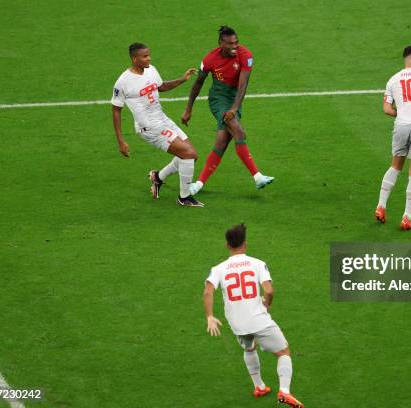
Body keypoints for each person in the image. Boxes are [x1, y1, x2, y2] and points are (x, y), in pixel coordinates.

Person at [203, 224, 304, 408]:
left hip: (237, 323)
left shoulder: (218, 268)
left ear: (227, 245)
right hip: (258, 319)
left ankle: (259, 387)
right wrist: (267, 304)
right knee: (283, 352)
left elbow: (208, 292)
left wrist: (210, 316)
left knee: (249, 348)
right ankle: (285, 391)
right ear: (245, 244)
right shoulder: (257, 263)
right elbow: (269, 290)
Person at [181, 26, 274, 195]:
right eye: (230, 43)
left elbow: (243, 84)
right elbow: (198, 84)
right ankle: (257, 176)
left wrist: (235, 107)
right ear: (220, 43)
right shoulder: (210, 59)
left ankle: (198, 184)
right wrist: (188, 109)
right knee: (238, 131)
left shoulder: (246, 55)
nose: (234, 46)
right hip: (218, 99)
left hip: (234, 99)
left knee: (221, 143)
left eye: (236, 42)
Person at [111, 42, 204, 207]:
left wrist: (183, 79)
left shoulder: (151, 70)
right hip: (149, 128)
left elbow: (161, 86)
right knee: (187, 154)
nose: (149, 58)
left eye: (148, 55)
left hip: (163, 120)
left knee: (192, 156)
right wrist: (120, 141)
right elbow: (116, 110)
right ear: (134, 59)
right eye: (145, 56)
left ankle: (157, 177)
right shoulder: (123, 82)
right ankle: (184, 198)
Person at [375, 45, 411, 230]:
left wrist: (402, 114)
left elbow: (386, 108)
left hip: (401, 125)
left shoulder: (393, 80)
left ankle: (381, 206)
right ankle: (406, 218)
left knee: (395, 166)